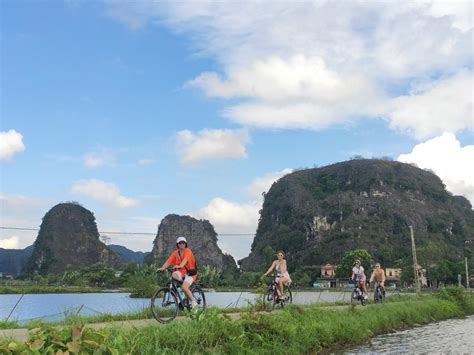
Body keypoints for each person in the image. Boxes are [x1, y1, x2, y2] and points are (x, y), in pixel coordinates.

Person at [157, 237, 198, 308]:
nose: (182, 244)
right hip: (182, 274)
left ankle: (194, 302)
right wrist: (162, 268)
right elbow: (168, 261)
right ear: (177, 244)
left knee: (184, 288)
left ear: (185, 244)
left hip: (191, 273)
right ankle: (179, 299)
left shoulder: (188, 251)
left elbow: (185, 260)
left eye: (183, 243)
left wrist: (180, 265)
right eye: (180, 243)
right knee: (173, 275)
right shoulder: (175, 253)